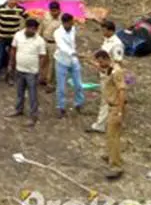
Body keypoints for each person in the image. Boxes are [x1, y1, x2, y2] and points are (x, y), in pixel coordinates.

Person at [7, 19, 47, 127]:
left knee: (33, 95)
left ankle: (33, 116)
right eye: (31, 28)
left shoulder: (40, 41)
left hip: (32, 72)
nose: (33, 31)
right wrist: (11, 64)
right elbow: (13, 50)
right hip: (20, 69)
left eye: (34, 29)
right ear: (26, 27)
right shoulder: (18, 36)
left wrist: (41, 71)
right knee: (20, 92)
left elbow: (42, 57)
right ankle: (18, 109)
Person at [94, 49, 127, 179]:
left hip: (115, 107)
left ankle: (116, 166)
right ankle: (110, 155)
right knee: (109, 134)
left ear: (106, 59)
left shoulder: (116, 72)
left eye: (100, 62)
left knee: (114, 137)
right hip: (110, 106)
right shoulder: (109, 68)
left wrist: (120, 111)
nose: (99, 64)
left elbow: (122, 91)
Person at [89, 20, 125, 133]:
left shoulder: (117, 44)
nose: (102, 32)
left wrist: (109, 72)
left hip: (109, 74)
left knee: (106, 99)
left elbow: (118, 61)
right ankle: (105, 121)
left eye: (104, 30)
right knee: (105, 99)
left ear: (110, 31)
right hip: (104, 72)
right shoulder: (107, 40)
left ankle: (101, 124)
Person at [53, 12, 86, 117]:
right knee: (61, 87)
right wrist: (72, 52)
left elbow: (73, 43)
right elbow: (61, 46)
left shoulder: (73, 30)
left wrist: (74, 53)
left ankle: (79, 104)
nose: (73, 24)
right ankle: (61, 107)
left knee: (79, 84)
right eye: (71, 22)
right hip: (62, 60)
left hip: (73, 60)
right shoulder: (57, 33)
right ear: (65, 23)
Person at [0, 0, 26, 83]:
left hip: (14, 38)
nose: (13, 1)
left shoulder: (21, 9)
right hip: (1, 36)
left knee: (12, 59)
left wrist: (22, 32)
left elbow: (28, 20)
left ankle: (10, 76)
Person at [39, 0, 62, 91]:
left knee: (53, 64)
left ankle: (51, 83)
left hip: (55, 43)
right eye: (52, 11)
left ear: (59, 10)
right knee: (43, 61)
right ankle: (43, 78)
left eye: (55, 11)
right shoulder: (46, 15)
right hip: (44, 41)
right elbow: (41, 27)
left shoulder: (62, 19)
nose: (54, 13)